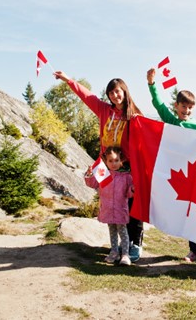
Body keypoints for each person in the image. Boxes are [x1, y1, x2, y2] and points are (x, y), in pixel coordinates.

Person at [54, 71, 144, 262]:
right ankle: (117, 247)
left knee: (130, 205)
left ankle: (134, 245)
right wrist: (68, 79)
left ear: (125, 92)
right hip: (104, 166)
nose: (115, 96)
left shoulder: (134, 115)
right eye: (111, 93)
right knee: (109, 203)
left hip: (127, 168)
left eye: (118, 92)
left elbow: (149, 137)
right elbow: (86, 95)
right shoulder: (104, 110)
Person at [146, 68, 196, 266]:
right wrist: (151, 84)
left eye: (190, 108)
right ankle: (194, 251)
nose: (186, 111)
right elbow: (158, 104)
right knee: (189, 214)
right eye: (183, 107)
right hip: (181, 175)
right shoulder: (171, 120)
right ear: (176, 106)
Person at [84, 146, 134, 266]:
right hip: (107, 209)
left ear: (121, 160)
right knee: (112, 231)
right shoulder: (103, 174)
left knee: (123, 232)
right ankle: (114, 252)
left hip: (120, 209)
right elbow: (92, 183)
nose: (113, 163)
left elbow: (129, 194)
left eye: (116, 160)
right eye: (110, 160)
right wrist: (89, 174)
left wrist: (132, 189)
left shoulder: (126, 177)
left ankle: (125, 255)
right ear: (106, 161)